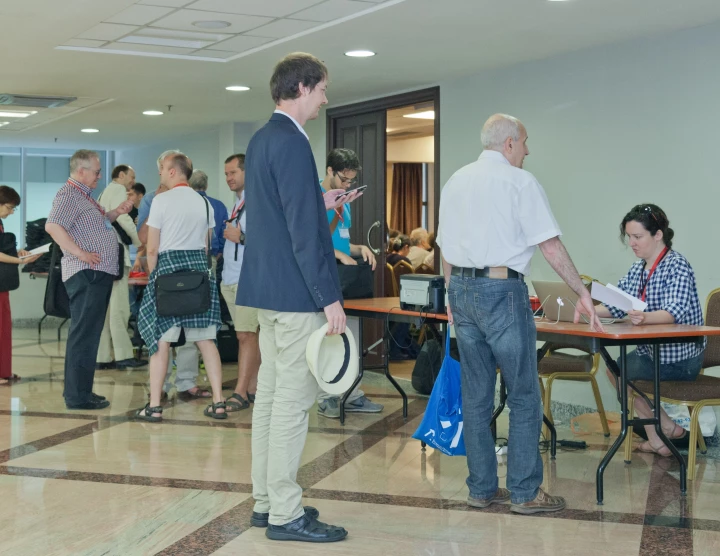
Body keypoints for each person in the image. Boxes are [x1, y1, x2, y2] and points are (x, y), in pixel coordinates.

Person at [437, 113, 603, 515]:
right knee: (524, 394)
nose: (528, 150)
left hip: (461, 289)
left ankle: (481, 488)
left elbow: (445, 245)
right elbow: (549, 245)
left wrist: (449, 297)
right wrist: (582, 292)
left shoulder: (456, 179)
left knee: (476, 394)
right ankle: (526, 493)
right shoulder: (519, 182)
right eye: (525, 141)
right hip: (502, 291)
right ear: (509, 143)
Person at [236, 52, 348, 543]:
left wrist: (319, 200)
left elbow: (275, 215)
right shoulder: (295, 143)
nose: (325, 99)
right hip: (297, 295)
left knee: (271, 400)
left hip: (266, 292)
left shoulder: (262, 140)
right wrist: (329, 297)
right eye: (322, 89)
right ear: (302, 87)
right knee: (292, 405)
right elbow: (303, 230)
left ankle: (266, 500)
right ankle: (285, 513)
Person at [594, 204, 705, 456]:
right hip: (652, 353)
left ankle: (663, 430)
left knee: (620, 372)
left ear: (658, 235)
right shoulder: (638, 268)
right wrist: (586, 310)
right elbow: (615, 303)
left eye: (637, 237)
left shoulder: (677, 265)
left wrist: (644, 318)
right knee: (617, 369)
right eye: (629, 237)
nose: (632, 243)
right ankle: (662, 433)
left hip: (680, 357)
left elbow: (673, 312)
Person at [135, 153, 225, 422]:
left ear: (173, 172)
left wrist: (154, 275)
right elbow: (207, 242)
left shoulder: (161, 201)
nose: (160, 174)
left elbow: (152, 247)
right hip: (198, 273)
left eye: (162, 169)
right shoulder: (204, 203)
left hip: (168, 274)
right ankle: (219, 402)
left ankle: (154, 406)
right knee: (206, 340)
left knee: (161, 341)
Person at [46, 150, 134, 410]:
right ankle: (76, 396)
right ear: (81, 171)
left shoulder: (84, 197)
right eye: (96, 171)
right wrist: (79, 252)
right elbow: (53, 226)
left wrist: (116, 212)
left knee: (90, 335)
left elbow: (97, 225)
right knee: (84, 335)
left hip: (97, 273)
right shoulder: (69, 194)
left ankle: (83, 390)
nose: (99, 175)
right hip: (86, 274)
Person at [317, 147, 382, 418]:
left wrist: (358, 249)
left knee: (350, 336)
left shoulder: (345, 201)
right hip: (324, 275)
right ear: (330, 171)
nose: (347, 185)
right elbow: (309, 242)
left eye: (351, 181)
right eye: (343, 179)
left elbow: (340, 240)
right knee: (329, 338)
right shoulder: (315, 198)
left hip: (345, 277)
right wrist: (339, 253)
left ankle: (352, 393)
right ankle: (326, 397)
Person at [220, 153, 260, 411]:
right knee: (249, 336)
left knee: (245, 335)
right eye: (226, 174)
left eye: (233, 173)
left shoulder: (257, 202)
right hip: (230, 278)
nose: (228, 178)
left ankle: (240, 392)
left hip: (248, 279)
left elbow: (271, 241)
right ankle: (254, 387)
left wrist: (242, 237)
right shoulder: (237, 203)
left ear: (247, 172)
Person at [96, 164, 146, 370]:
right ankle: (124, 355)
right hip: (116, 254)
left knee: (106, 309)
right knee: (120, 308)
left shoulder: (103, 193)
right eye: (131, 177)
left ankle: (103, 356)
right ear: (121, 175)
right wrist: (138, 240)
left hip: (104, 255)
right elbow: (123, 218)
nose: (132, 182)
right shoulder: (117, 190)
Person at [0, 186, 42, 385]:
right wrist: (18, 261)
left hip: (2, 284)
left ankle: (3, 371)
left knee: (4, 329)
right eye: (9, 207)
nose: (11, 212)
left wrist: (18, 253)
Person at [189, 169, 228, 262]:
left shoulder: (185, 204)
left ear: (188, 184)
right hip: (211, 256)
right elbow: (224, 230)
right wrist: (220, 251)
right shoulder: (219, 205)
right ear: (206, 186)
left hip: (188, 256)